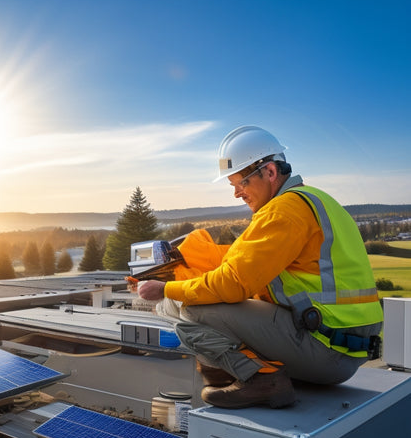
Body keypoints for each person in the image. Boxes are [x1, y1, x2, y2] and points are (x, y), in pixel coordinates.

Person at [138, 125, 383, 409]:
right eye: (233, 186)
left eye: (241, 183)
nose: (237, 194)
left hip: (328, 351)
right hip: (344, 343)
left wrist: (167, 288)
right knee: (197, 300)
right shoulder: (313, 200)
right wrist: (183, 266)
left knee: (193, 310)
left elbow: (232, 284)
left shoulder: (283, 212)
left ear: (269, 172)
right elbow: (240, 259)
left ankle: (263, 381)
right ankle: (245, 375)